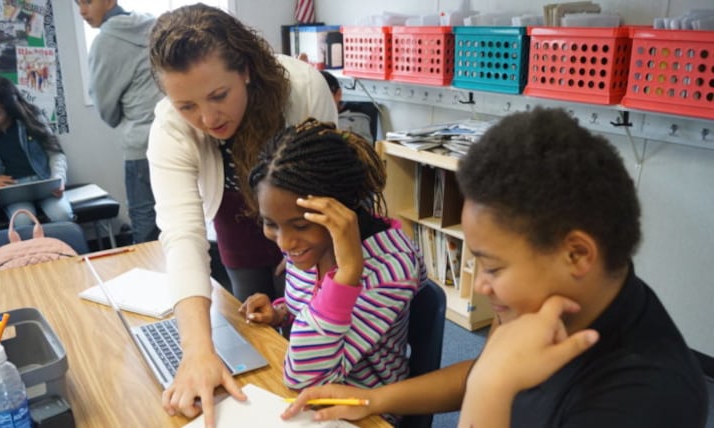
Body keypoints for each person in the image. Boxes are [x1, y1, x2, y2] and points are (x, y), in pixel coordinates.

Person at [282, 108, 709, 427]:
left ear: (576, 255)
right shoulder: (548, 305)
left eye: (494, 267)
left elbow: (490, 376)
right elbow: (483, 369)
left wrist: (493, 390)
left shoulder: (642, 401)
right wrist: (374, 400)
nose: (482, 285)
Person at [146, 4, 337, 425]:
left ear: (246, 70)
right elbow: (182, 237)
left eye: (219, 96)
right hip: (234, 224)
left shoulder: (303, 87)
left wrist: (307, 262)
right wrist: (197, 351)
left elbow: (327, 186)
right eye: (187, 106)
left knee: (317, 329)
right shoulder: (169, 128)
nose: (208, 119)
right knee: (258, 331)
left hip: (305, 221)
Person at [239, 119, 424, 404]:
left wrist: (348, 274)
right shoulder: (308, 247)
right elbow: (313, 307)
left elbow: (305, 376)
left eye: (300, 226)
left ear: (342, 210)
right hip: (311, 395)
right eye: (271, 223)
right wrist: (281, 313)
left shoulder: (391, 267)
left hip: (363, 408)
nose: (284, 243)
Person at [76, 0, 162, 243]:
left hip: (140, 145)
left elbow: (106, 110)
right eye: (77, 3)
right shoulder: (152, 25)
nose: (82, 10)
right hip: (174, 135)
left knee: (144, 221)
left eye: (87, 1)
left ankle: (150, 277)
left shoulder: (106, 41)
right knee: (179, 215)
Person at [0, 76, 73, 226]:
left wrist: (58, 178)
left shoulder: (33, 118)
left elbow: (56, 153)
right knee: (22, 220)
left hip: (44, 182)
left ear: (9, 109)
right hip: (13, 189)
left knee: (62, 214)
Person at [319, 70, 374, 143]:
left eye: (322, 96)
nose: (318, 102)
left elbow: (364, 152)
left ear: (338, 94)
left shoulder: (356, 123)